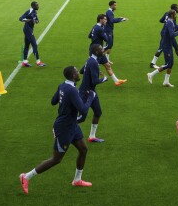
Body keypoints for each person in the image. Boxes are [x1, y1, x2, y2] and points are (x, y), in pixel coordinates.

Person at [19, 66, 96, 194]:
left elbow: (53, 101)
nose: (78, 73)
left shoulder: (63, 86)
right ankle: (26, 176)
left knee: (83, 149)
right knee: (56, 159)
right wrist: (90, 97)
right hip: (64, 128)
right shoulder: (72, 90)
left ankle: (77, 180)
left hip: (72, 125)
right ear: (72, 76)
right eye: (76, 71)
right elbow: (83, 110)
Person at [77, 44, 109, 143]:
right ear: (96, 52)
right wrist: (104, 79)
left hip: (91, 92)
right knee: (82, 118)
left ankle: (92, 136)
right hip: (85, 92)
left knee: (98, 112)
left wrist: (93, 72)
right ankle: (62, 126)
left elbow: (82, 71)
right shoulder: (93, 62)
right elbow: (94, 81)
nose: (103, 50)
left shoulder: (90, 59)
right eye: (101, 49)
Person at [89, 14, 127, 86]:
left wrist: (96, 39)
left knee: (107, 65)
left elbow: (89, 35)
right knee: (92, 67)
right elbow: (106, 39)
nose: (106, 21)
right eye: (105, 19)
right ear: (101, 20)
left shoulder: (95, 27)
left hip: (97, 49)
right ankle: (89, 82)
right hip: (95, 51)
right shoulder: (100, 29)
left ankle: (117, 81)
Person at [147, 9, 178, 87]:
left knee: (171, 64)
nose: (176, 15)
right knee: (168, 64)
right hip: (166, 46)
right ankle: (151, 74)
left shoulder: (171, 21)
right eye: (175, 14)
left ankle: (166, 81)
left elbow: (175, 28)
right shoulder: (169, 22)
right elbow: (172, 35)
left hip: (168, 44)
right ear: (172, 15)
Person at [19, 1, 46, 67]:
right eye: (37, 5)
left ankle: (24, 62)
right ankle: (38, 62)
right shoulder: (29, 11)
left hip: (29, 29)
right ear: (33, 6)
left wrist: (36, 21)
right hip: (27, 29)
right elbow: (20, 18)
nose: (38, 6)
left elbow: (37, 20)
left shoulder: (34, 12)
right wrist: (26, 20)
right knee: (34, 44)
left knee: (27, 45)